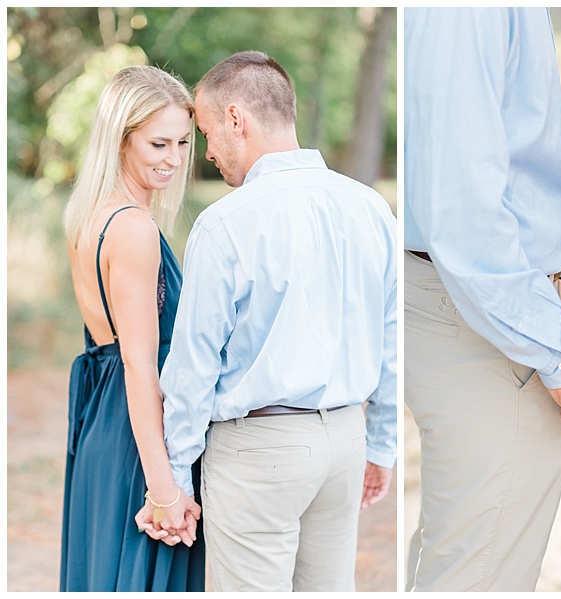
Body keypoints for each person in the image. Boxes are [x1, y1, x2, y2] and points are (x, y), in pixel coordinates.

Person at [403, 7, 561, 592]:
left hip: (481, 301)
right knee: (478, 574)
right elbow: (465, 218)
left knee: (453, 558)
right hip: (480, 321)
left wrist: (545, 285)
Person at [155, 51, 397, 591]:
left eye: (207, 131)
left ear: (237, 119)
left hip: (259, 451)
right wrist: (381, 445)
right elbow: (390, 340)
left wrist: (173, 475)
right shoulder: (371, 207)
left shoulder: (225, 224)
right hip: (344, 440)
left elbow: (195, 362)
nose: (208, 152)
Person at [60, 65, 204, 591]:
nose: (173, 158)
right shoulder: (135, 228)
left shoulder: (89, 216)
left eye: (184, 142)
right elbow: (138, 363)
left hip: (103, 419)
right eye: (158, 143)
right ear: (121, 140)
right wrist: (164, 486)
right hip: (136, 434)